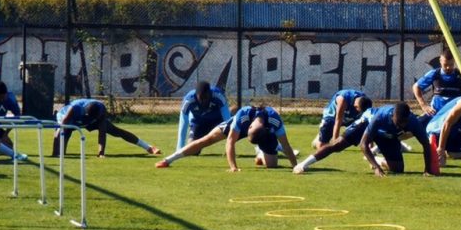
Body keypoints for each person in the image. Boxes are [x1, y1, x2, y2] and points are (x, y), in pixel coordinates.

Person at [156, 103, 295, 172]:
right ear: (249, 127)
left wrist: (295, 166)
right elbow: (230, 141)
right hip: (239, 127)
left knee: (272, 166)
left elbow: (287, 146)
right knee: (207, 139)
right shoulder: (243, 115)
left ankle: (261, 153)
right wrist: (233, 167)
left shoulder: (275, 121)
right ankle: (169, 159)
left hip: (265, 135)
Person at [294, 102, 414, 176]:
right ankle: (304, 164)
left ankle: (377, 159)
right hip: (367, 123)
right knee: (337, 145)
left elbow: (423, 141)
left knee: (398, 168)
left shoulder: (413, 121)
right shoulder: (378, 117)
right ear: (393, 116)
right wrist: (376, 169)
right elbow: (363, 144)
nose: (400, 125)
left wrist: (425, 170)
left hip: (385, 131)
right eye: (398, 122)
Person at [52, 98, 160, 157]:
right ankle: (56, 152)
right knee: (65, 132)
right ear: (86, 113)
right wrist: (55, 153)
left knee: (116, 131)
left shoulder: (101, 110)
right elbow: (62, 126)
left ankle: (149, 147)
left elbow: (102, 133)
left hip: (88, 117)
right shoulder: (75, 108)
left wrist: (101, 153)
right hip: (67, 117)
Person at [176, 81, 231, 152]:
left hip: (217, 122)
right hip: (199, 124)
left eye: (206, 98)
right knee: (191, 150)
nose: (203, 101)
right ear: (196, 95)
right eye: (201, 98)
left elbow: (227, 120)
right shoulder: (188, 100)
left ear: (210, 93)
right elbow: (183, 124)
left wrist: (230, 145)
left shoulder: (218, 95)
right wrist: (180, 148)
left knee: (231, 117)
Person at [412, 51, 461, 116]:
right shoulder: (434, 73)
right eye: (445, 65)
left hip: (456, 114)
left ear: (454, 61)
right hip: (437, 113)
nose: (448, 67)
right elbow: (416, 87)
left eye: (451, 64)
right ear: (440, 61)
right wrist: (423, 105)